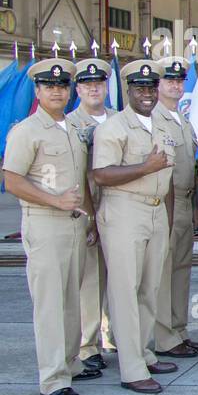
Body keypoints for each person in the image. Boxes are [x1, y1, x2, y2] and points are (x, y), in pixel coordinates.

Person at [3, 59, 98, 395]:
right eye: (49, 86)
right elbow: (12, 180)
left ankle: (69, 362)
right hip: (45, 225)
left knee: (71, 299)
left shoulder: (71, 129)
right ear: (38, 91)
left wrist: (88, 215)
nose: (56, 91)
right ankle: (53, 379)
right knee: (49, 304)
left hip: (73, 224)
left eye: (61, 86)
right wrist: (54, 201)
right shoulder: (26, 131)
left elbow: (80, 179)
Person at [90, 58, 177, 393]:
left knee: (149, 288)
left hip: (155, 211)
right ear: (127, 90)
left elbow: (166, 177)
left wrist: (166, 220)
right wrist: (145, 166)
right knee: (125, 290)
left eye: (151, 87)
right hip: (125, 211)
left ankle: (143, 352)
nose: (146, 93)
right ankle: (131, 368)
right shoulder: (113, 127)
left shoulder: (163, 125)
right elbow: (101, 175)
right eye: (140, 88)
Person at [65, 57, 115, 371]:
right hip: (89, 206)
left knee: (121, 277)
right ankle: (87, 345)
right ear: (78, 89)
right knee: (91, 279)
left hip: (120, 206)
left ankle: (112, 336)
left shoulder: (119, 119)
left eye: (98, 83)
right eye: (86, 84)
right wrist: (88, 214)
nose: (93, 88)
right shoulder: (70, 124)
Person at [152, 56, 198, 360]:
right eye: (169, 79)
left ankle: (179, 329)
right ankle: (164, 337)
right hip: (164, 204)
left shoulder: (180, 118)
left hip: (184, 200)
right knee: (163, 272)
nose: (175, 84)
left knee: (182, 270)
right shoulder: (154, 118)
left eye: (179, 80)